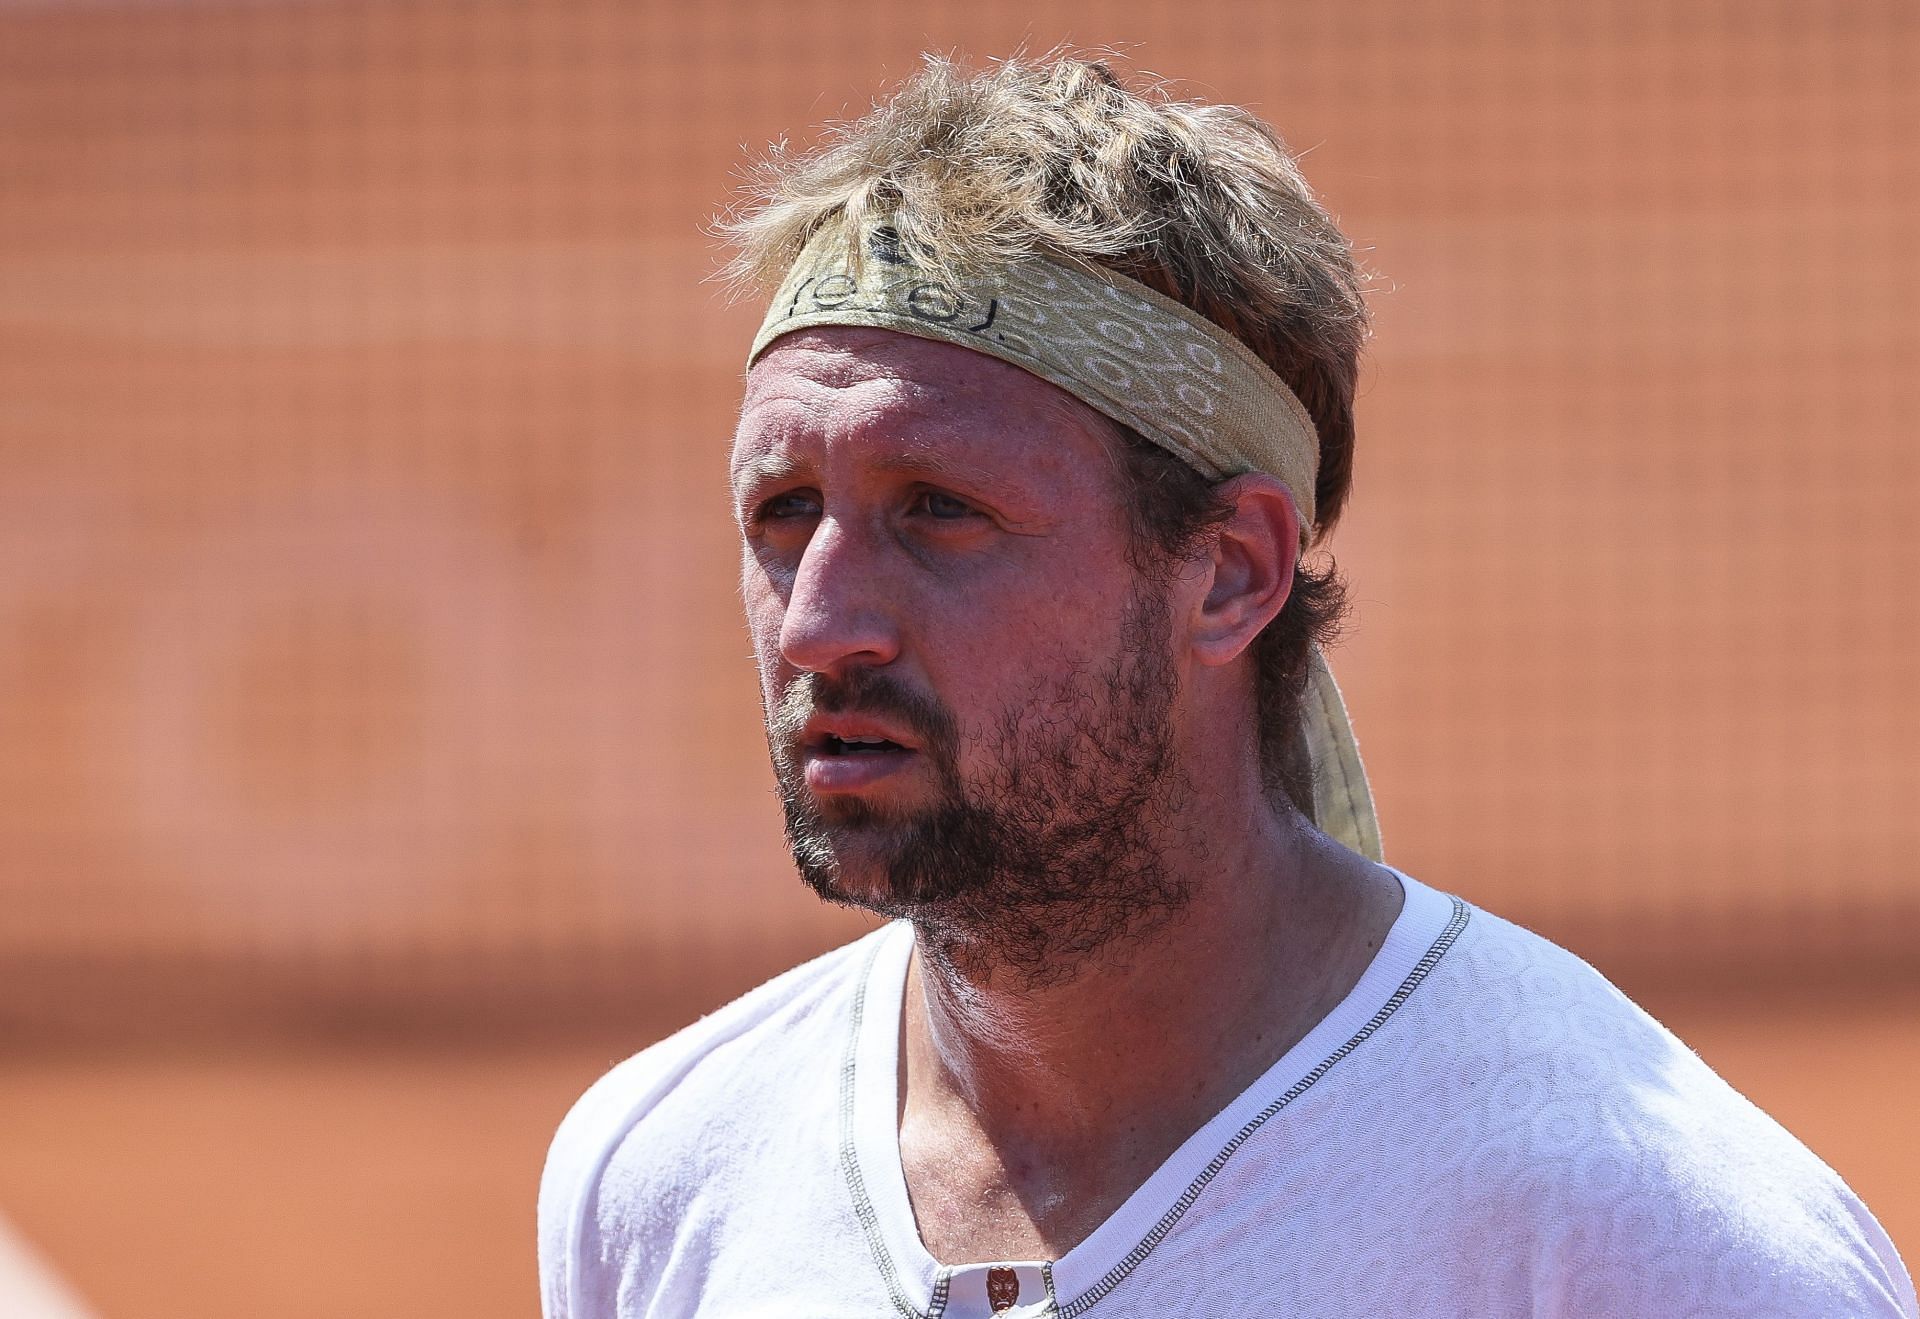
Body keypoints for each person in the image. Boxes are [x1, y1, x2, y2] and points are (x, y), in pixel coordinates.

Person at [538, 54, 1917, 1319]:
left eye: (941, 509)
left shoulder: (1641, 1240)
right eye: (782, 511)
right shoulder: (653, 1185)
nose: (821, 621)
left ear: (1229, 573)